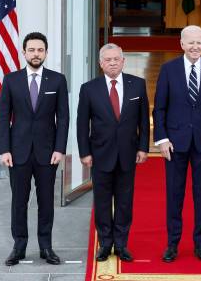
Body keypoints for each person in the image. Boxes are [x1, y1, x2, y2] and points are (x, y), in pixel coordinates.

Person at [153, 25, 201, 263]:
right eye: (191, 43)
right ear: (182, 44)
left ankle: (200, 244)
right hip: (175, 144)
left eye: (199, 42)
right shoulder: (168, 70)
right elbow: (160, 107)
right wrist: (162, 138)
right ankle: (172, 244)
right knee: (174, 195)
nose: (195, 47)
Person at [0, 32, 69, 266]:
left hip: (47, 153)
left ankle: (46, 247)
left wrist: (60, 148)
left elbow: (63, 118)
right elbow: (3, 118)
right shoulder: (11, 80)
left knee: (46, 202)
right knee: (19, 201)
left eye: (40, 50)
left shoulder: (57, 80)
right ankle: (19, 246)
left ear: (46, 53)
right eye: (32, 50)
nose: (36, 54)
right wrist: (4, 149)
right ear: (24, 52)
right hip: (17, 152)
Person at [77, 43, 150, 262]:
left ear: (123, 61)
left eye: (116, 59)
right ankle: (105, 243)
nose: (112, 63)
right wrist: (84, 152)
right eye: (107, 60)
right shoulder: (89, 88)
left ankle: (121, 244)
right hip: (100, 154)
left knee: (125, 202)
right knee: (102, 201)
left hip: (128, 153)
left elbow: (143, 121)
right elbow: (82, 124)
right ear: (101, 64)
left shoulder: (137, 85)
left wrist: (143, 147)